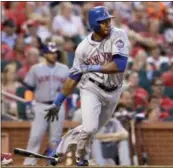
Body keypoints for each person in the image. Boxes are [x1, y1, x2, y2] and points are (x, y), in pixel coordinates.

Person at [45, 6, 130, 166]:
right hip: (92, 88)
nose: (107, 24)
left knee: (91, 130)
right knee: (90, 128)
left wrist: (91, 67)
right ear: (93, 24)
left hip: (114, 91)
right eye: (102, 22)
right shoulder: (83, 48)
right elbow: (73, 77)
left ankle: (59, 150)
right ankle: (81, 159)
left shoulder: (119, 35)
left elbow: (120, 65)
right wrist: (58, 102)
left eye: (108, 20)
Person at [23, 42, 69, 166]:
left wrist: (70, 105)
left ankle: (51, 163)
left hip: (57, 106)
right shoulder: (36, 68)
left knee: (55, 138)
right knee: (35, 136)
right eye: (51, 53)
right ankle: (29, 163)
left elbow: (68, 89)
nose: (54, 55)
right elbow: (29, 88)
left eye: (55, 53)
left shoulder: (64, 69)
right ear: (45, 54)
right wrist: (28, 104)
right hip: (40, 105)